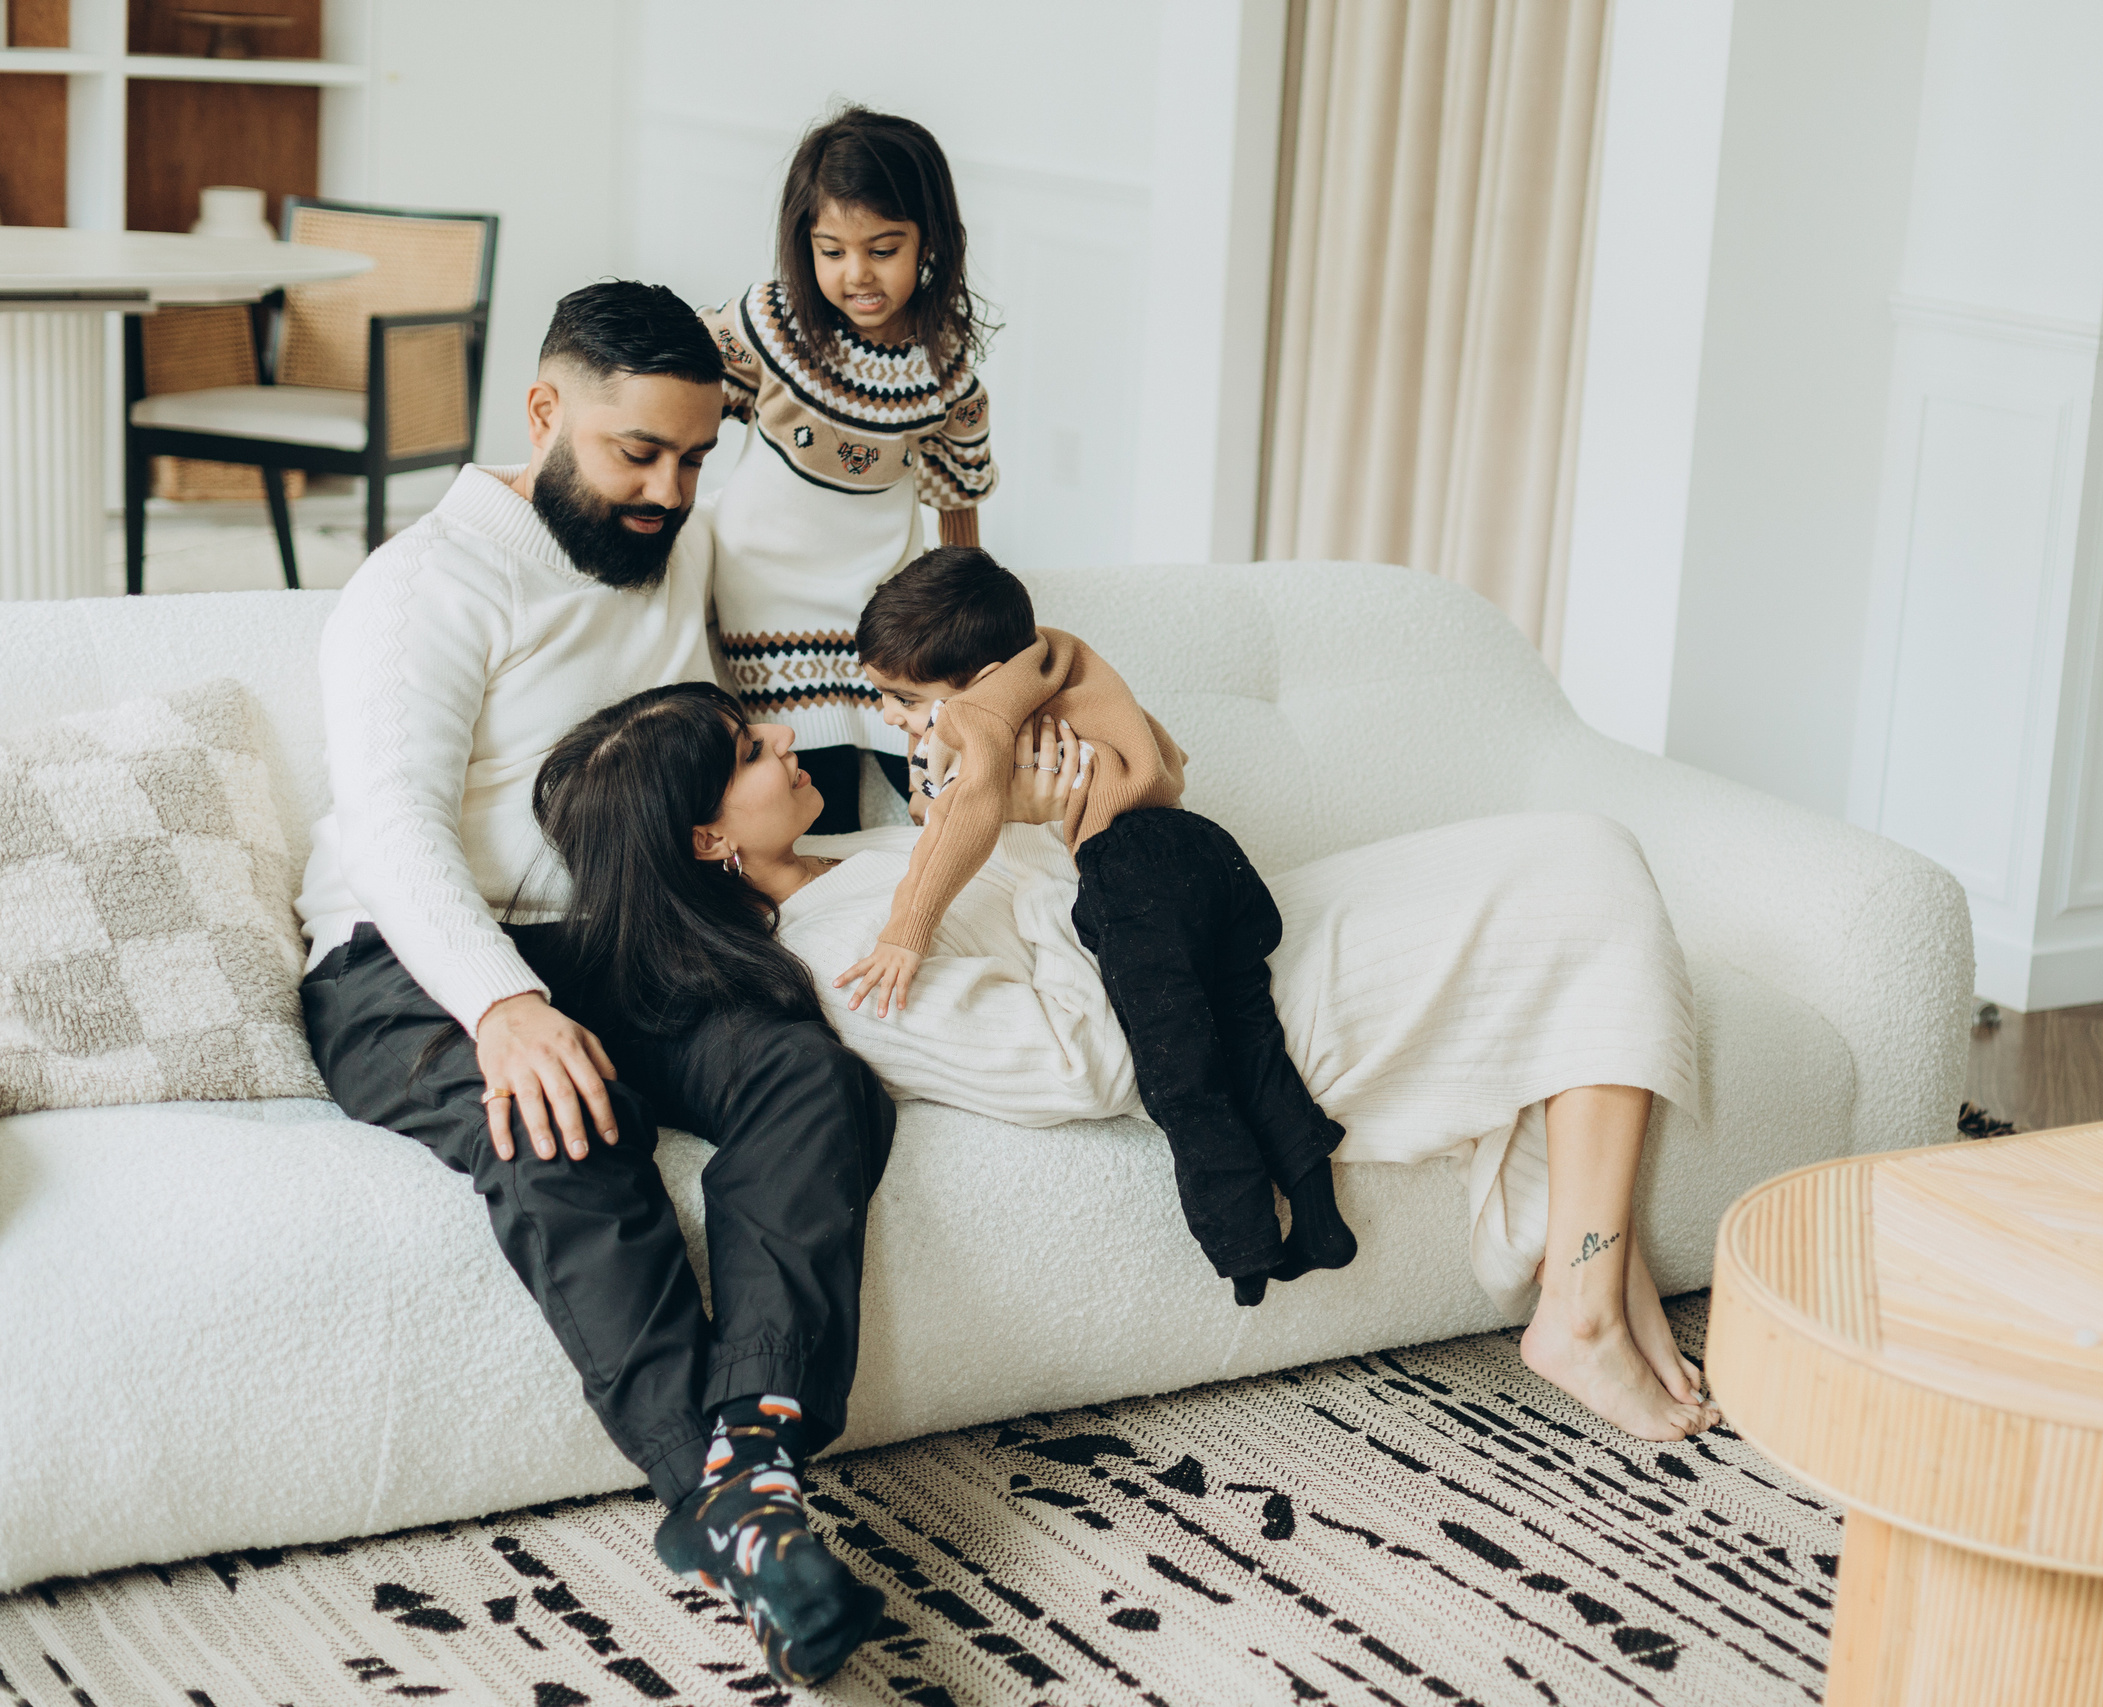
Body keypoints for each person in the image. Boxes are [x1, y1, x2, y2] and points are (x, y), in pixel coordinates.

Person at [536, 681, 1719, 1443]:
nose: (787, 738)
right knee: (1580, 871)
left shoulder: (851, 847)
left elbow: (1061, 896)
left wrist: (1067, 821)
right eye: (751, 748)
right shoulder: (850, 966)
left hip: (1220, 937)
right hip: (1214, 1011)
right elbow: (1085, 1065)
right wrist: (1079, 856)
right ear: (707, 840)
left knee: (1581, 846)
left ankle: (1590, 1279)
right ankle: (1579, 1304)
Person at [294, 281, 891, 1687]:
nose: (669, 490)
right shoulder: (422, 586)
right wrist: (503, 1006)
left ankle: (747, 1455)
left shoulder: (672, 540)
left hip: (624, 939)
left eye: (695, 457)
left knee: (811, 1074)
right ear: (545, 412)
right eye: (638, 453)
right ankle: (736, 1509)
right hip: (411, 957)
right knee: (567, 1118)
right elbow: (393, 829)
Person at [842, 548, 1358, 1308]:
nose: (891, 715)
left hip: (1133, 874)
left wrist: (906, 929)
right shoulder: (1060, 656)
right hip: (1204, 848)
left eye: (904, 699)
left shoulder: (979, 711)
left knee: (1179, 1067)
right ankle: (1319, 1215)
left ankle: (1246, 1249)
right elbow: (1164, 763)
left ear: (976, 681)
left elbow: (963, 814)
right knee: (1251, 1031)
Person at [701, 104, 997, 833]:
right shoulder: (770, 325)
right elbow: (686, 400)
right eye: (831, 251)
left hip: (879, 601)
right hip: (765, 595)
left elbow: (957, 495)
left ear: (930, 238)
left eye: (883, 248)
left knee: (938, 787)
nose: (856, 273)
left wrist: (971, 628)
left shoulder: (946, 365)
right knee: (815, 804)